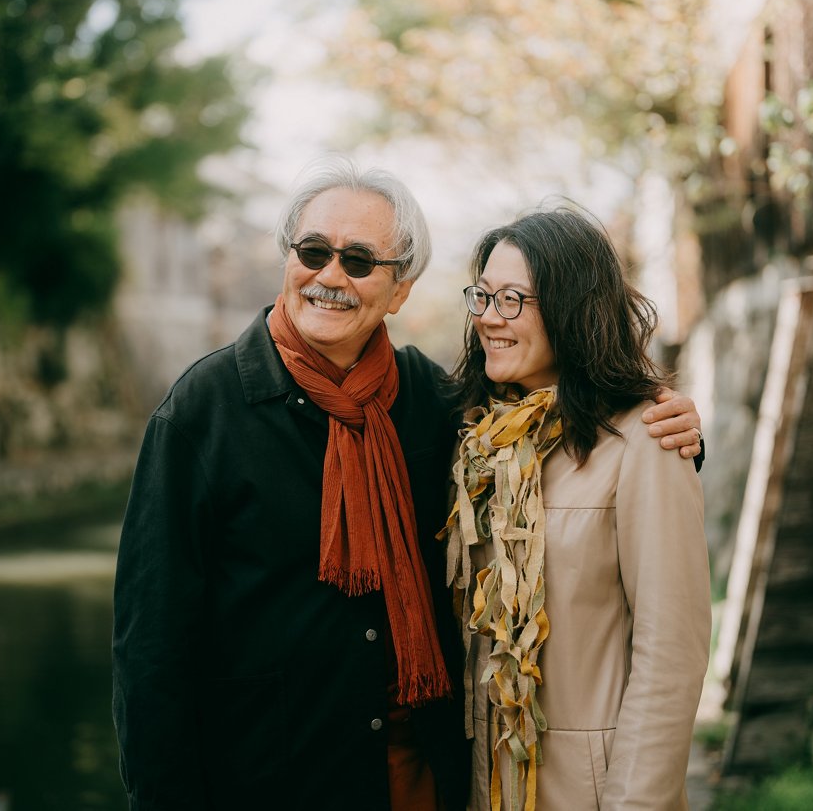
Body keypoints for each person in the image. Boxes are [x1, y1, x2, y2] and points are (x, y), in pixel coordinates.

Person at [111, 159, 704, 811]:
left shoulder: (435, 404)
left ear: (400, 290)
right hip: (266, 784)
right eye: (313, 252)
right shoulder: (203, 413)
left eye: (360, 261)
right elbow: (151, 653)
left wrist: (676, 435)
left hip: (423, 782)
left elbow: (568, 438)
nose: (330, 276)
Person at [442, 203, 711, 810]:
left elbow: (671, 654)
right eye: (482, 297)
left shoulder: (647, 439)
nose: (489, 318)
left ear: (572, 310)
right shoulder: (475, 442)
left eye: (513, 300)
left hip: (591, 792)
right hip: (487, 788)